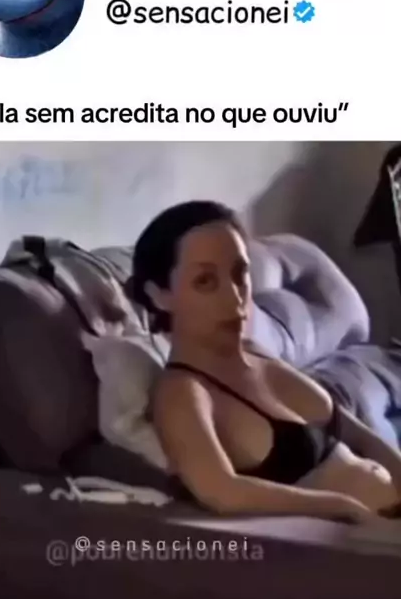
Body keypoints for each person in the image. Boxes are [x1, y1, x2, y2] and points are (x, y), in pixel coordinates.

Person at [126, 200, 401, 524]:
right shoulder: (182, 394)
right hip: (366, 537)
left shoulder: (256, 350)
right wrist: (346, 508)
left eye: (240, 274)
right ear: (159, 294)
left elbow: (358, 434)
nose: (235, 298)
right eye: (205, 281)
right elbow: (221, 490)